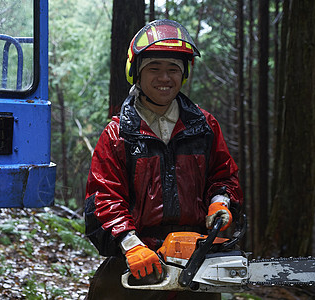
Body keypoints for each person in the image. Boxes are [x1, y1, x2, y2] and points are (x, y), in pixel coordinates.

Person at [84, 19, 243, 300]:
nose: (165, 78)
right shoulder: (118, 134)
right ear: (136, 73)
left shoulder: (204, 126)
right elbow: (104, 197)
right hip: (138, 253)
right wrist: (131, 244)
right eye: (154, 68)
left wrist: (221, 201)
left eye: (173, 69)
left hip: (197, 253)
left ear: (184, 74)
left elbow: (223, 176)